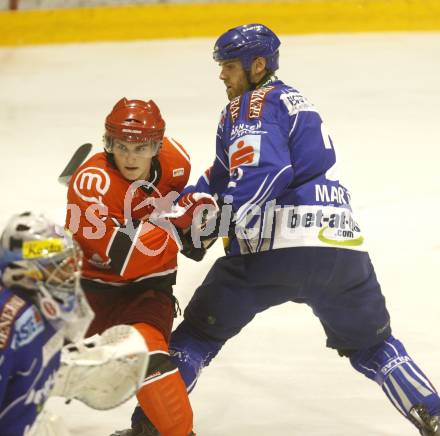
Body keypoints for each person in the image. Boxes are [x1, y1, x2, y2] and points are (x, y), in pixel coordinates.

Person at [130, 24, 440, 435]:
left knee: (199, 335)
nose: (222, 75)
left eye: (229, 67)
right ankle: (432, 412)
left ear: (257, 66)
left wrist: (214, 221)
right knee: (374, 346)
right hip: (339, 248)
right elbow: (221, 178)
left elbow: (265, 173)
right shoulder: (293, 101)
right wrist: (175, 210)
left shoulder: (250, 106)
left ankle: (148, 428)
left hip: (273, 251)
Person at [66, 97, 216, 436]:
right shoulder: (93, 182)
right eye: (121, 146)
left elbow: (192, 226)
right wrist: (178, 226)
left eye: (141, 147)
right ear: (109, 144)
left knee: (148, 355)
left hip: (149, 291)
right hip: (91, 293)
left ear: (157, 146)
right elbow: (124, 259)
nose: (131, 156)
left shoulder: (177, 162)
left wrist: (201, 219)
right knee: (25, 358)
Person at [0, 211, 92, 436]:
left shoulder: (38, 307)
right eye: (58, 268)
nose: (69, 276)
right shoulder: (9, 323)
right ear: (24, 272)